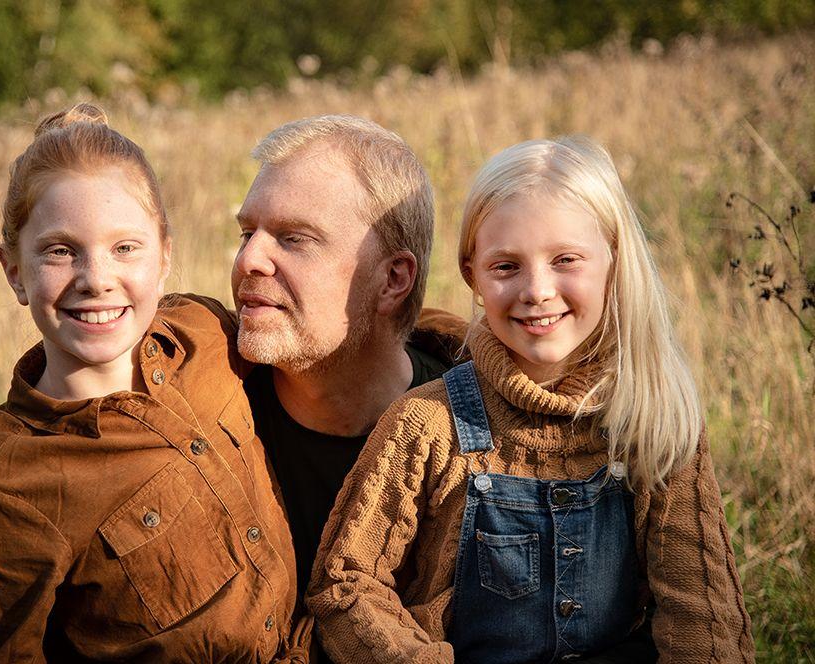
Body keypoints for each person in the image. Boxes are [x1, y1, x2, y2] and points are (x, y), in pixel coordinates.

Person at [306, 136, 755, 663]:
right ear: (473, 275)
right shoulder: (426, 423)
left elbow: (701, 612)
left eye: (565, 259)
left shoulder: (656, 418)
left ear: (614, 262)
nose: (537, 290)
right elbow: (346, 586)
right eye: (506, 266)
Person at [0, 103, 296, 663]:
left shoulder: (203, 332)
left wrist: (441, 342)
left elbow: (313, 333)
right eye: (60, 251)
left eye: (125, 248)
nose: (96, 279)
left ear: (164, 256)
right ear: (14, 271)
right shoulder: (6, 490)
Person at [231, 115, 465, 660]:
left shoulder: (484, 435)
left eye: (295, 239)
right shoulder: (201, 420)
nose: (248, 260)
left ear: (393, 279)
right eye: (246, 233)